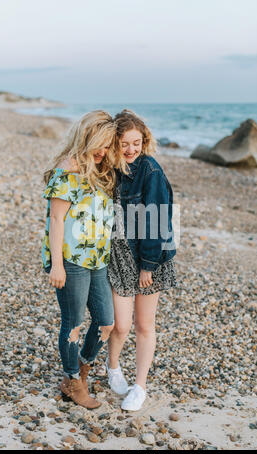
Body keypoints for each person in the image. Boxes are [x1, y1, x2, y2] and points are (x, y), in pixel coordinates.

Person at [42, 110, 126, 409]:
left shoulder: (102, 171)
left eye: (107, 145)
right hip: (72, 260)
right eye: (99, 144)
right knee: (74, 322)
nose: (103, 151)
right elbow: (56, 219)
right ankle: (73, 381)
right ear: (85, 138)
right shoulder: (67, 170)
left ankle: (82, 367)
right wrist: (57, 264)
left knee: (106, 321)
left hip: (97, 259)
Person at [106, 109, 177, 411]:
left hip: (151, 256)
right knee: (120, 325)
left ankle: (140, 386)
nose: (132, 150)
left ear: (144, 141)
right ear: (114, 144)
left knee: (144, 325)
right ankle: (112, 367)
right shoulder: (110, 170)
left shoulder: (151, 170)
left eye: (137, 143)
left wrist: (148, 265)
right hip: (119, 254)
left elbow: (158, 219)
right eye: (125, 144)